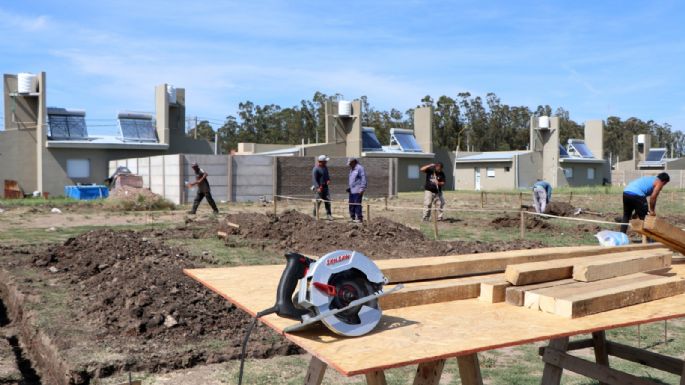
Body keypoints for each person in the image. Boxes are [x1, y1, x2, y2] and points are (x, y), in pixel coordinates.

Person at [312, 155, 333, 221]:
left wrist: (328, 180)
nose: (326, 162)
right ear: (321, 162)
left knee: (328, 201)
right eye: (325, 161)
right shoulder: (316, 169)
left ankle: (328, 215)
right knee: (318, 202)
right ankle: (315, 215)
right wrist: (317, 187)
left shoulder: (325, 167)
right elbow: (314, 179)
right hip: (319, 188)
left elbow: (327, 175)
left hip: (325, 188)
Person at [346, 157, 367, 223]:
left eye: (350, 163)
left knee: (357, 204)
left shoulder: (360, 168)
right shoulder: (351, 169)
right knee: (351, 204)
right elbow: (352, 180)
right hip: (352, 190)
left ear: (354, 162)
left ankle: (359, 218)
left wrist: (362, 188)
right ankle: (352, 217)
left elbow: (363, 179)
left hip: (358, 190)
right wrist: (349, 187)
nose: (349, 165)